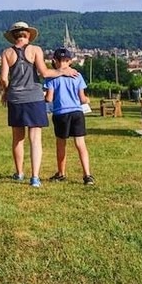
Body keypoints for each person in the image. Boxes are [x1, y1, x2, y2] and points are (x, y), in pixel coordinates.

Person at [0, 21, 76, 188]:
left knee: (17, 138)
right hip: (34, 97)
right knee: (35, 138)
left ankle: (19, 173)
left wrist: (6, 92)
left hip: (15, 98)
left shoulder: (7, 53)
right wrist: (63, 71)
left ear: (13, 36)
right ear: (28, 34)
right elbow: (44, 73)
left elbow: (4, 79)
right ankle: (35, 177)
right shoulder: (35, 50)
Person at [43, 48, 95, 185]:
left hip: (61, 113)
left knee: (61, 144)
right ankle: (87, 174)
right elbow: (82, 99)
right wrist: (87, 100)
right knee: (80, 144)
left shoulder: (51, 77)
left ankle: (61, 173)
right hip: (77, 112)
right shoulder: (77, 75)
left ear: (54, 61)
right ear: (70, 61)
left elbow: (49, 98)